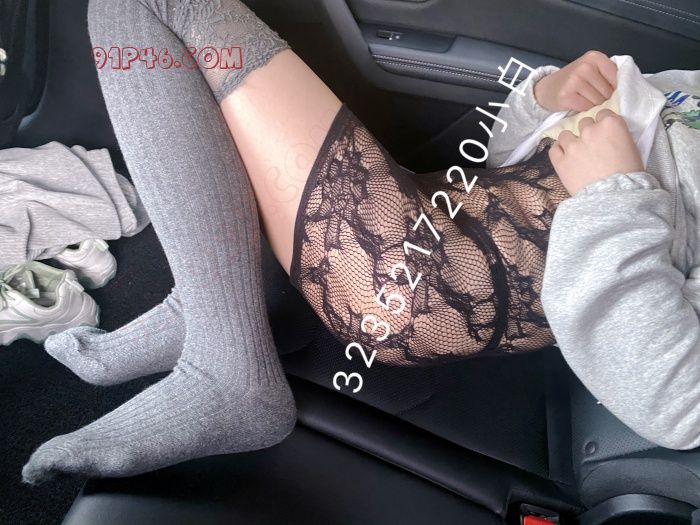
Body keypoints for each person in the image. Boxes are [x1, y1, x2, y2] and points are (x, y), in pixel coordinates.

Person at [16, 0, 646, 484]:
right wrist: (541, 101)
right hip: (452, 208)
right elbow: (509, 158)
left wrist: (616, 192)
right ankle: (212, 307)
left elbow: (678, 405)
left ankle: (227, 368)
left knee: (141, 5)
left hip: (428, 285)